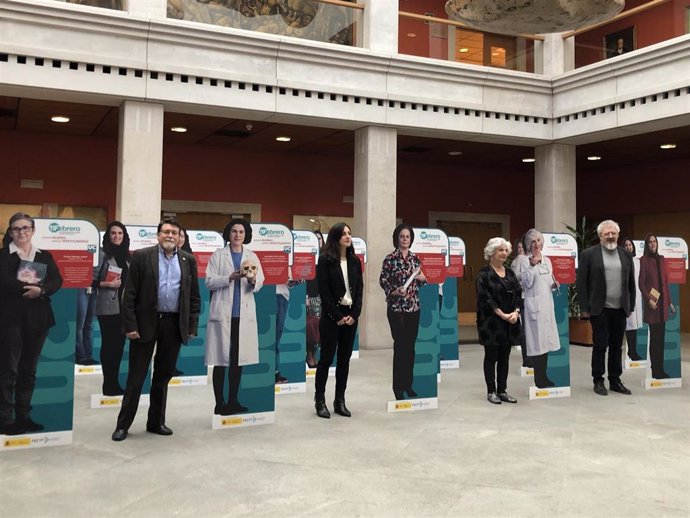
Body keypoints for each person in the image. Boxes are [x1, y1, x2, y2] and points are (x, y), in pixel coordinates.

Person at [111, 218, 200, 441]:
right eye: (166, 232)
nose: (170, 235)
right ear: (158, 235)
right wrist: (130, 325)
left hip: (173, 324)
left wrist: (191, 326)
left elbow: (193, 297)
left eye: (174, 232)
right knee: (136, 377)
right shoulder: (142, 256)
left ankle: (156, 422)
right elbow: (129, 294)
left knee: (162, 377)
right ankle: (123, 425)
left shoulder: (188, 260)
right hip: (145, 324)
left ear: (180, 237)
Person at [0, 212, 63, 435]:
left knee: (29, 371)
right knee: (9, 371)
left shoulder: (44, 255)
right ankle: (5, 420)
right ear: (10, 232)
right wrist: (26, 289)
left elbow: (57, 280)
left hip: (38, 320)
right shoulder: (3, 257)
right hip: (11, 321)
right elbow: (4, 281)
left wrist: (41, 291)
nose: (21, 232)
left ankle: (24, 417)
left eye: (25, 228)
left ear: (33, 230)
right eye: (16, 229)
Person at [205, 218, 264, 416]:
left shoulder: (252, 256)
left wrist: (253, 280)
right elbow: (209, 281)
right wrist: (229, 277)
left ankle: (233, 400)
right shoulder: (218, 256)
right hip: (223, 315)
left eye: (241, 232)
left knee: (238, 361)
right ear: (228, 234)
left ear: (246, 235)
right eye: (234, 231)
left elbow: (260, 282)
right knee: (221, 359)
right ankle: (219, 402)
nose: (237, 235)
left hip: (242, 316)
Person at [576, 219, 635, 396]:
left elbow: (631, 282)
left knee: (617, 346)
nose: (610, 236)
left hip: (620, 309)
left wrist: (630, 305)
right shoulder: (588, 254)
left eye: (613, 233)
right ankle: (598, 380)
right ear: (600, 236)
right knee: (600, 345)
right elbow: (581, 284)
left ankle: (615, 380)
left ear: (618, 234)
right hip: (599, 308)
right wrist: (585, 307)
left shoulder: (625, 255)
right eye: (606, 233)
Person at [314, 223, 363, 418]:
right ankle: (320, 401)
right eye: (344, 234)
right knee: (326, 359)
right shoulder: (325, 260)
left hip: (350, 317)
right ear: (335, 237)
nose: (348, 237)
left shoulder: (354, 261)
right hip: (331, 317)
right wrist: (338, 317)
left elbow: (359, 291)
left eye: (349, 233)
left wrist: (354, 314)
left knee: (344, 360)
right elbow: (323, 292)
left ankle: (339, 400)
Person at [379, 224, 426, 400]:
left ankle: (408, 385)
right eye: (402, 236)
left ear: (411, 239)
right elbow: (383, 280)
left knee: (410, 348)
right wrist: (394, 291)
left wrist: (422, 277)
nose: (405, 239)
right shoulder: (390, 259)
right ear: (397, 238)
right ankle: (397, 387)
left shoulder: (416, 259)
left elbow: (421, 282)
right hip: (396, 308)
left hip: (413, 308)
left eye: (407, 237)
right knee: (400, 347)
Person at [476, 237, 521, 404]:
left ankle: (502, 390)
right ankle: (491, 391)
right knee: (491, 356)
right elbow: (484, 298)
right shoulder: (484, 273)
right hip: (491, 323)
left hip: (510, 322)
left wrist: (516, 312)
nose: (504, 253)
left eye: (505, 250)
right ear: (491, 253)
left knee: (505, 357)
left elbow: (518, 293)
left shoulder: (510, 273)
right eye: (500, 250)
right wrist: (502, 314)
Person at [520, 229, 560, 388]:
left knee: (546, 342)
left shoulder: (548, 260)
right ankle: (539, 378)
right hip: (534, 307)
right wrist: (531, 265)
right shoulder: (524, 260)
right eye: (533, 242)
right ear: (529, 245)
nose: (537, 244)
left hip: (547, 305)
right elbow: (526, 283)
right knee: (537, 343)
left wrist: (554, 285)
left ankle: (544, 376)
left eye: (539, 240)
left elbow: (548, 279)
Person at [95, 221, 130, 396]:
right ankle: (108, 384)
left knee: (118, 346)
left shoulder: (127, 256)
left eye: (120, 233)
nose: (117, 236)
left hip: (124, 308)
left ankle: (114, 383)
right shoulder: (103, 255)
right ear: (108, 236)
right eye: (113, 233)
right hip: (108, 307)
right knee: (109, 345)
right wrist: (107, 283)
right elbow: (90, 280)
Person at [638, 233, 676, 379]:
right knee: (655, 340)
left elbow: (665, 283)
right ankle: (655, 370)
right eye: (650, 242)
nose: (653, 244)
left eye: (654, 241)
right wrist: (649, 300)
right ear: (647, 245)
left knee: (661, 339)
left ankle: (660, 369)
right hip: (653, 306)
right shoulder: (644, 260)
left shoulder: (661, 259)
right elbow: (641, 283)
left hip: (662, 308)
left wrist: (669, 302)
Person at [510, 235, 533, 369]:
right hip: (523, 296)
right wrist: (528, 274)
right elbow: (514, 277)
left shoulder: (533, 258)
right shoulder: (520, 259)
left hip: (534, 296)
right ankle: (527, 359)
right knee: (526, 329)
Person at [622, 238, 643, 361]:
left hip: (637, 297)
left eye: (630, 245)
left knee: (635, 326)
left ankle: (633, 351)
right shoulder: (622, 261)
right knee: (629, 325)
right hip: (627, 297)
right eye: (626, 245)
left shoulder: (637, 261)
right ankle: (631, 352)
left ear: (633, 247)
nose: (628, 247)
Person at [305, 230, 324, 368]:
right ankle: (310, 356)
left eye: (319, 238)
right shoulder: (306, 257)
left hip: (324, 298)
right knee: (312, 330)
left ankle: (317, 356)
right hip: (311, 297)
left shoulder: (326, 257)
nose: (318, 241)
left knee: (322, 330)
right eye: (315, 238)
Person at [75, 286, 98, 366]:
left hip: (94, 287)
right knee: (80, 324)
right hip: (81, 285)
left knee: (89, 324)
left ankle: (88, 356)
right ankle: (81, 356)